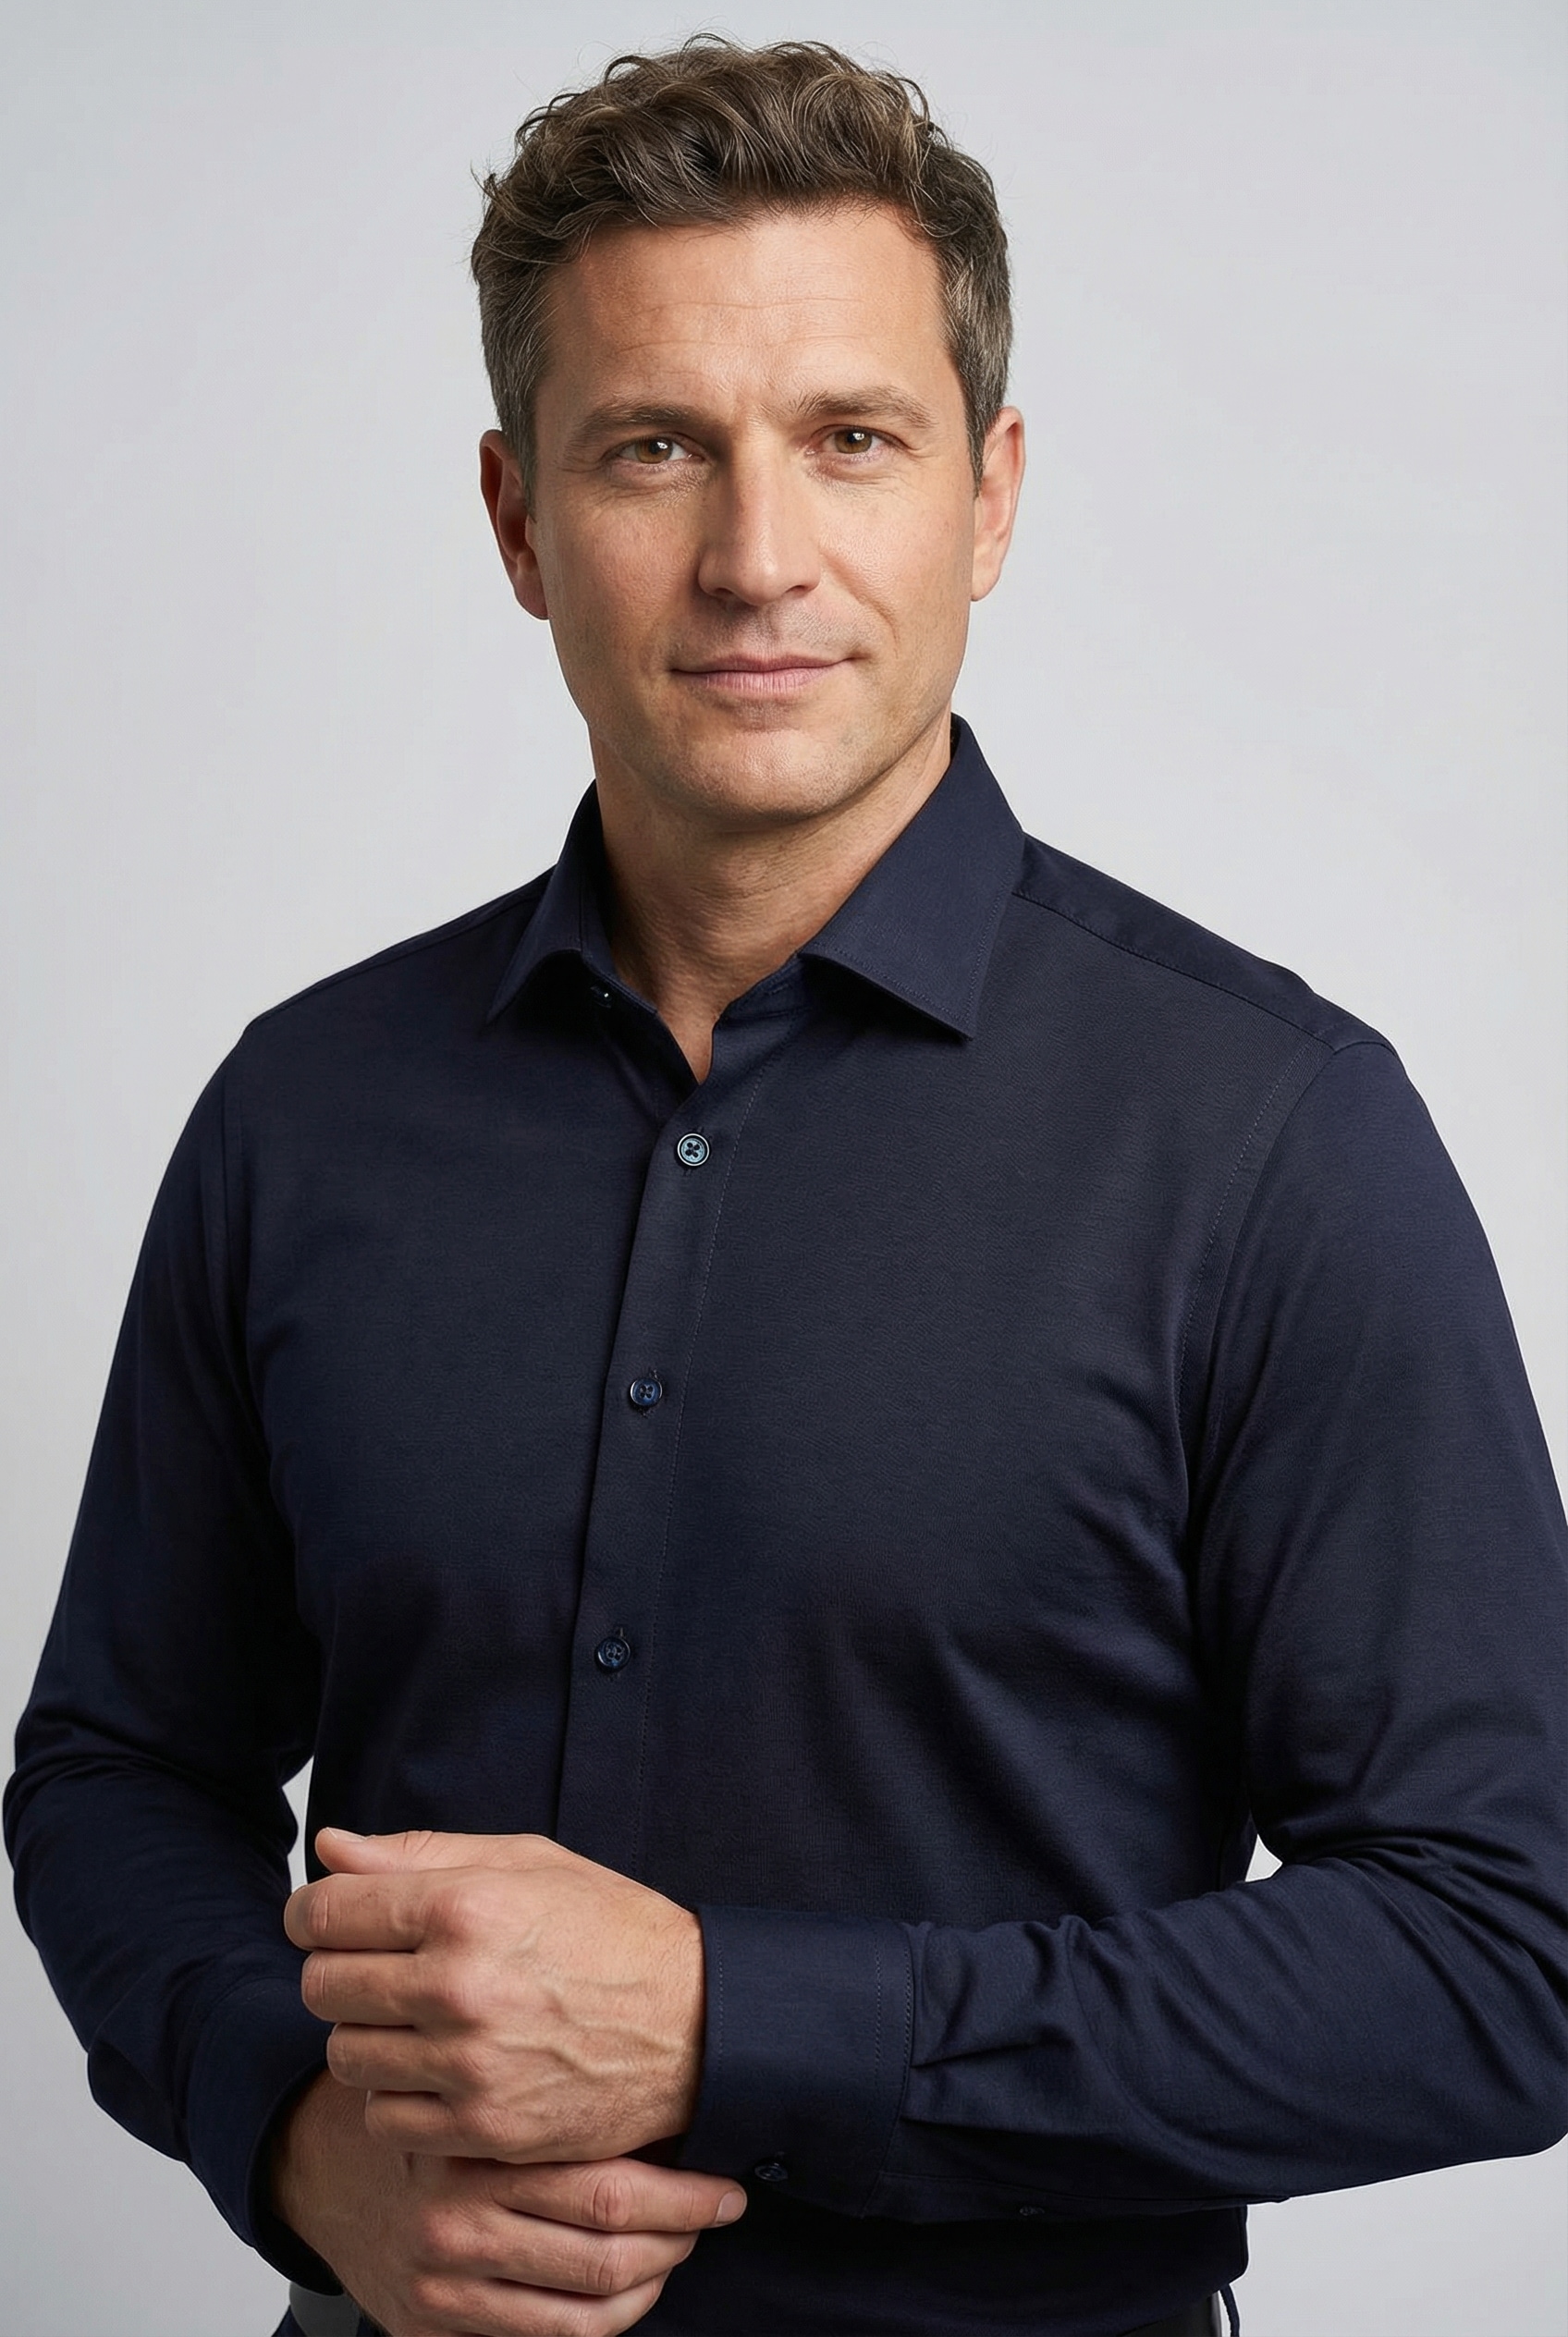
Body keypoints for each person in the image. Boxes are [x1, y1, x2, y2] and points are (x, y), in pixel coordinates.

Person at [6, 36, 1565, 2337]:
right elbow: (119, 1767)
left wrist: (728, 2023)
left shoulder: (1270, 1136)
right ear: (518, 519)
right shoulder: (301, 1112)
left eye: (851, 439)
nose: (757, 559)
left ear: (988, 495)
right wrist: (292, 2132)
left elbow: (1500, 1950)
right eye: (653, 448)